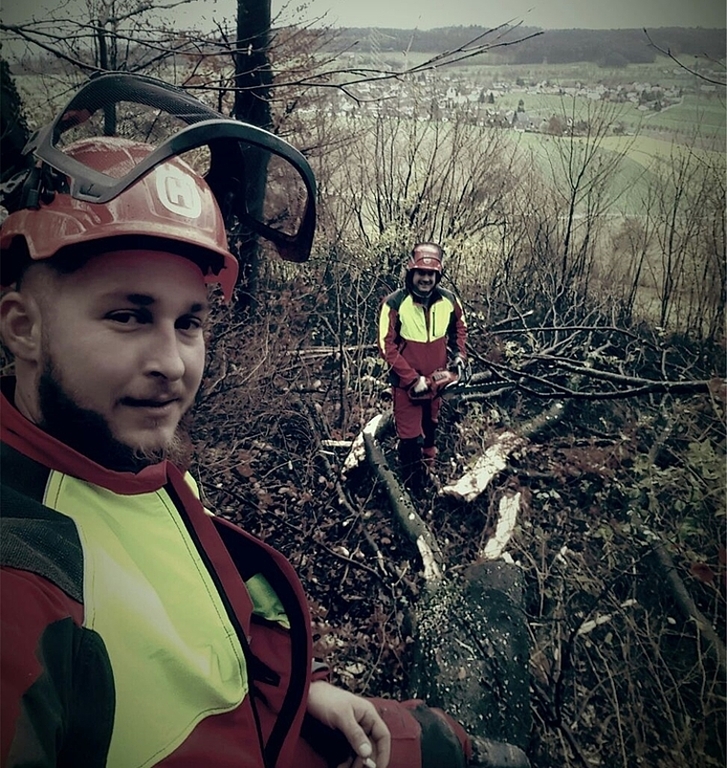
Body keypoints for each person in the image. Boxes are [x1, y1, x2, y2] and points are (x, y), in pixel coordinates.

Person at [0, 74, 474, 768]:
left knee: (438, 742)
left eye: (189, 321)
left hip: (271, 720)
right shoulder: (24, 572)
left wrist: (296, 689)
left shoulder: (137, 464)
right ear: (22, 328)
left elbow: (190, 627)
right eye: (128, 315)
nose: (172, 363)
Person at [378, 243, 467, 491]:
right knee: (409, 437)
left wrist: (459, 355)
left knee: (431, 426)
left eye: (431, 274)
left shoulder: (449, 300)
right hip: (407, 383)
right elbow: (386, 345)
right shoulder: (394, 303)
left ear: (437, 275)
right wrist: (411, 378)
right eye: (421, 273)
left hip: (436, 377)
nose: (426, 279)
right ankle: (410, 485)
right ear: (411, 273)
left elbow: (459, 328)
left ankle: (429, 468)